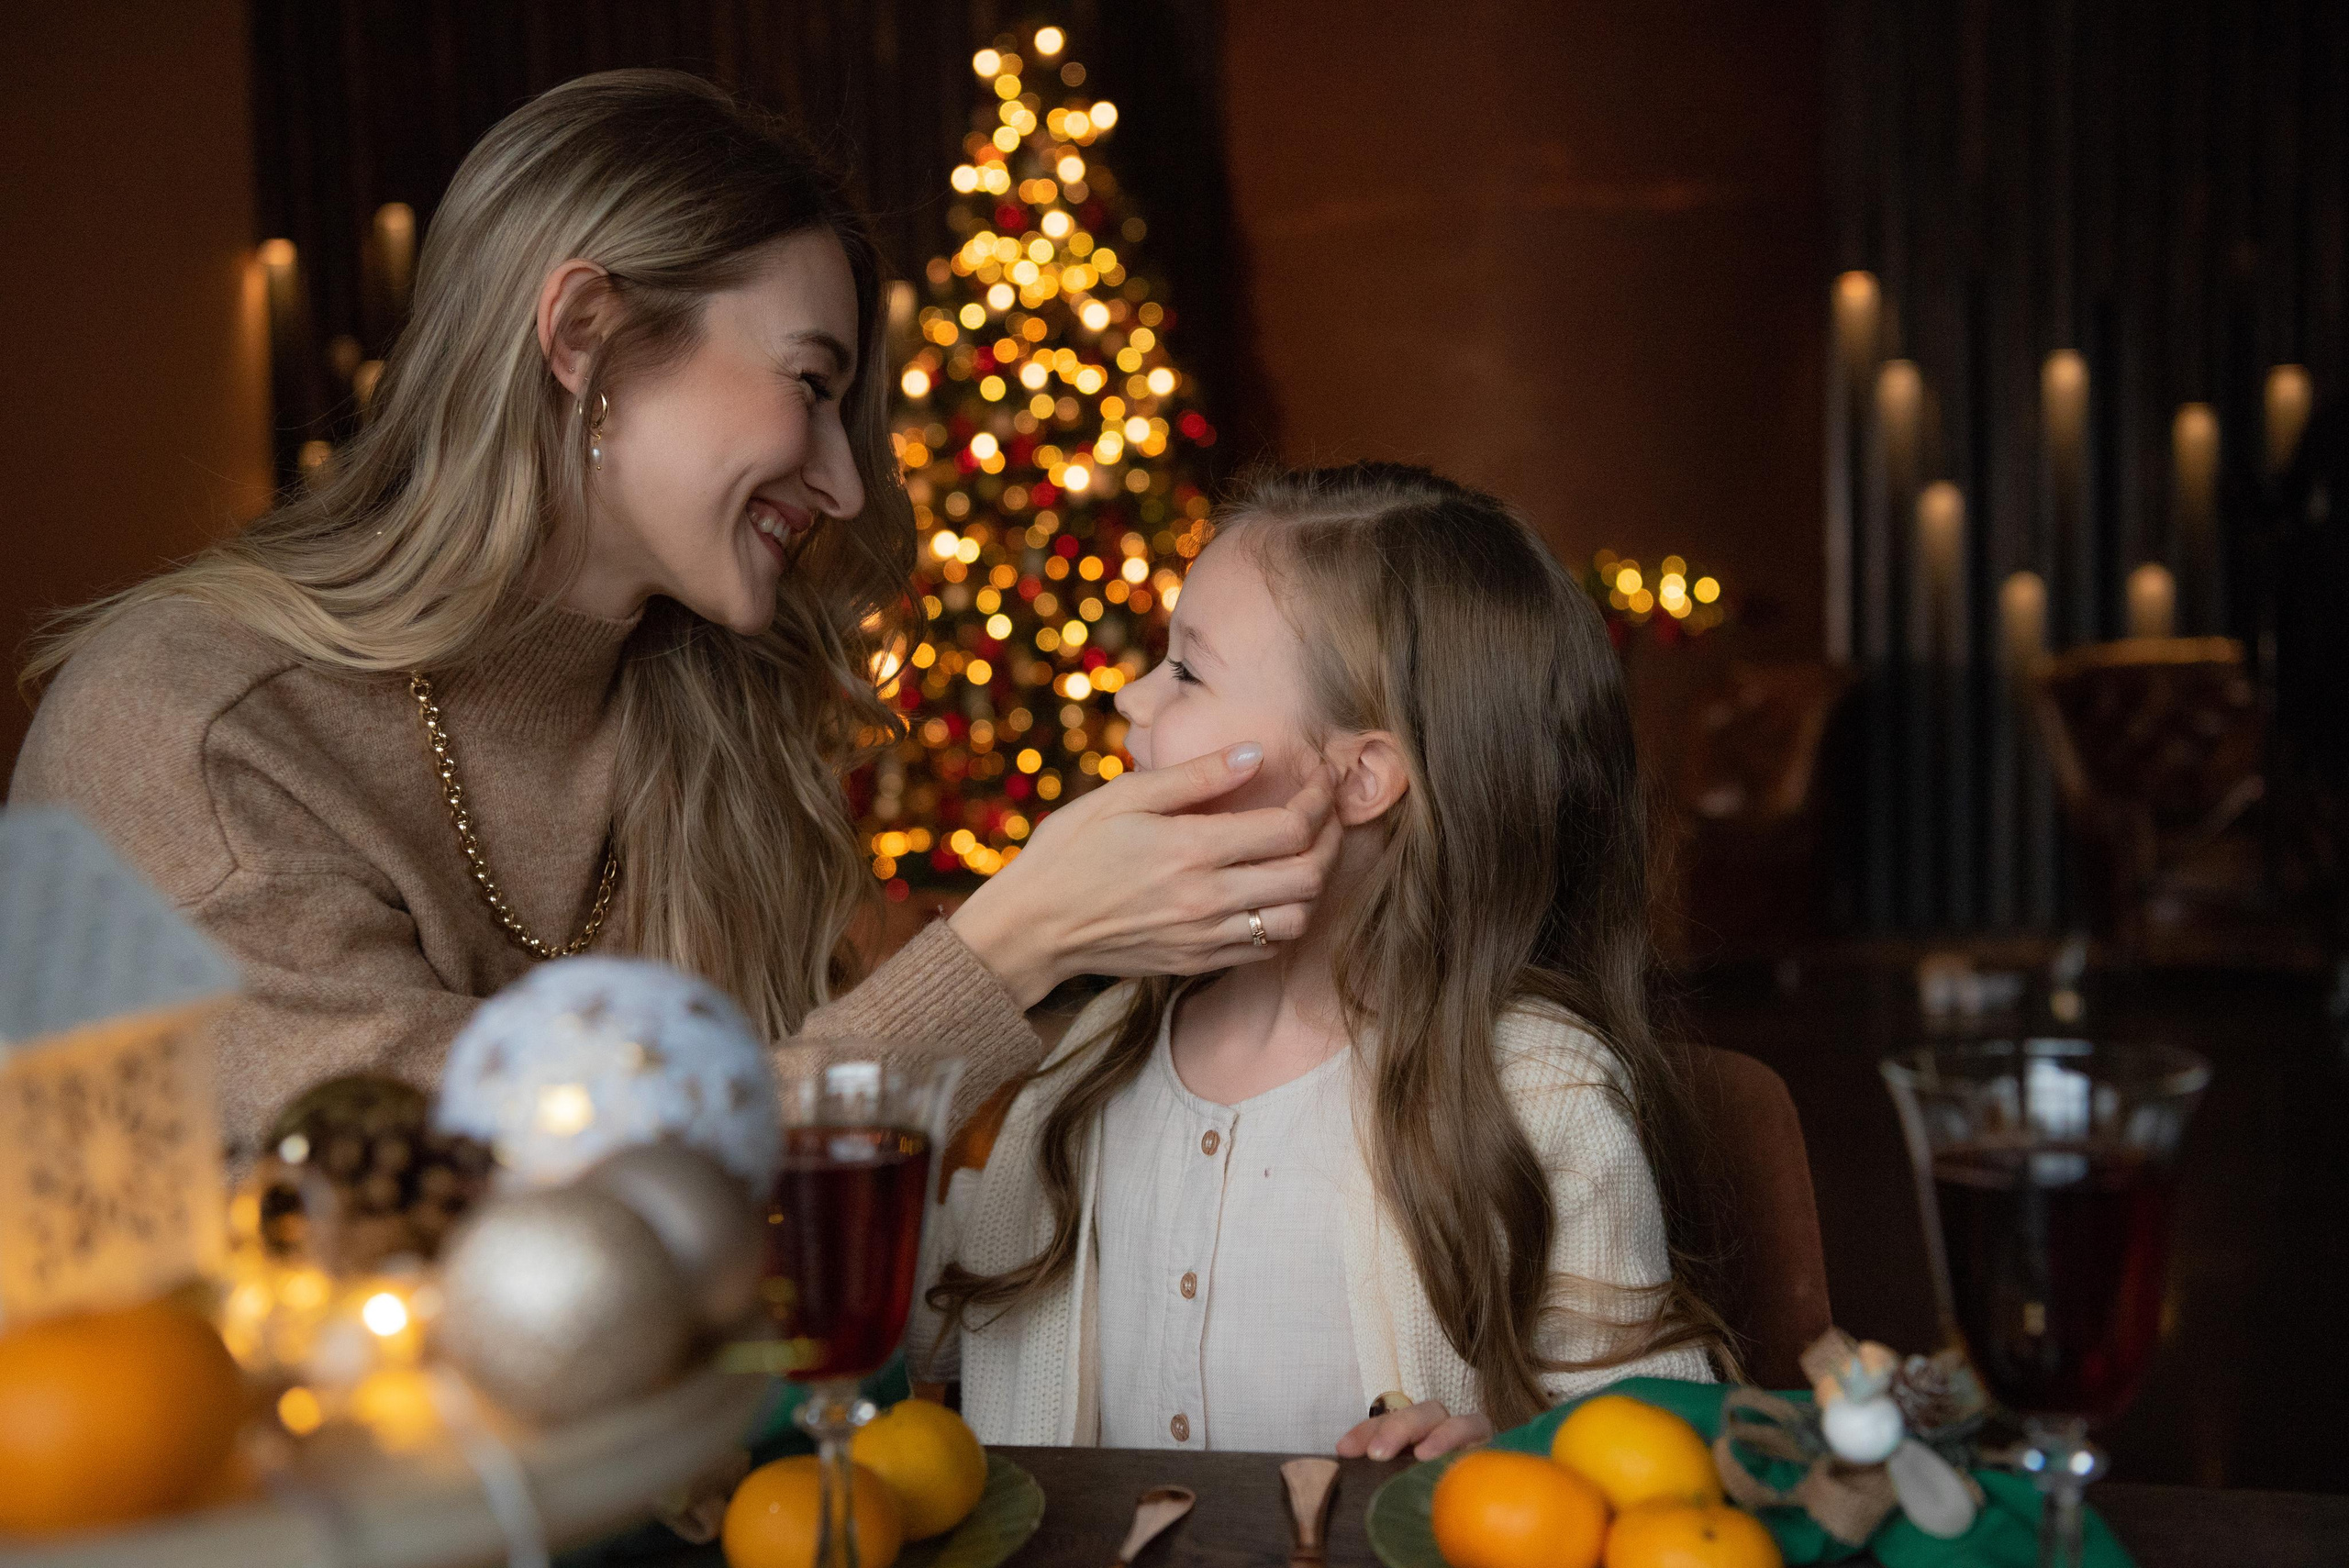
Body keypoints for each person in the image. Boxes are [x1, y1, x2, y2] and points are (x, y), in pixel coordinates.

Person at [7, 70, 1336, 1151]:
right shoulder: (191, 731)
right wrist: (1016, 939)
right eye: (808, 384)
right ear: (586, 332)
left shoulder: (706, 712)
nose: (841, 480)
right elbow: (503, 1187)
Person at [909, 463, 1730, 1457]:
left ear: (1360, 777)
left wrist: (1502, 1457)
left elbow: (1654, 1451)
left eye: (1186, 670)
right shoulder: (1092, 1054)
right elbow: (923, 1323)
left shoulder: (1534, 1090)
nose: (1128, 692)